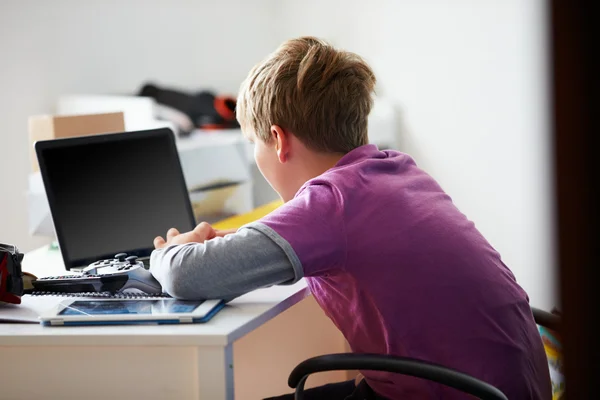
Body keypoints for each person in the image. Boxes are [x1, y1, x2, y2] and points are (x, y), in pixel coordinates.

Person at [150, 37, 552, 399]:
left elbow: (186, 276)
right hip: (506, 385)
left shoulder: (331, 203)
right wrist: (235, 240)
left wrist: (168, 251)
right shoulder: (394, 172)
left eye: (254, 143)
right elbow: (324, 231)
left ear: (278, 140)